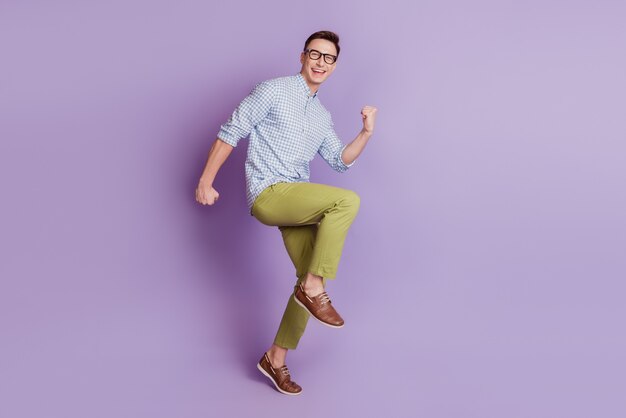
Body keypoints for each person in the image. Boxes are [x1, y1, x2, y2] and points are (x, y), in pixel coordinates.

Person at [195, 30, 377, 395]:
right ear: (302, 56)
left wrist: (365, 133)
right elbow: (233, 129)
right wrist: (205, 180)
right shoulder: (273, 90)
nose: (320, 62)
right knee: (348, 202)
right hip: (269, 192)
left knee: (306, 282)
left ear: (334, 66)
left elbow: (339, 162)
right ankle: (315, 287)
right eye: (315, 54)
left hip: (295, 200)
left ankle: (274, 359)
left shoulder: (322, 116)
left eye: (328, 58)